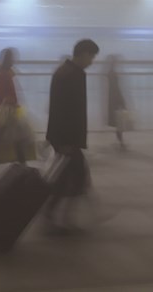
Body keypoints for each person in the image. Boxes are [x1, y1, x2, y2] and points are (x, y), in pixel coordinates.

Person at [44, 39, 100, 233]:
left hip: (64, 137)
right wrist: (66, 141)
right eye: (91, 57)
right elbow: (66, 111)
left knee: (70, 178)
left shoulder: (64, 71)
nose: (92, 61)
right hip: (67, 138)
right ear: (83, 54)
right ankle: (59, 218)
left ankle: (57, 216)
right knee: (76, 178)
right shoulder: (72, 75)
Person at [0, 48, 31, 168]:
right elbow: (6, 94)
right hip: (8, 111)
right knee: (18, 137)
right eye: (13, 58)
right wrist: (16, 107)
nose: (15, 60)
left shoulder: (3, 73)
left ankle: (20, 162)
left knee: (8, 138)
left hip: (5, 110)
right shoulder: (5, 74)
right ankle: (22, 163)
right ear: (9, 59)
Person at [106, 54, 129, 150]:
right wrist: (121, 101)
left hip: (112, 99)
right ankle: (121, 142)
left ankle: (120, 141)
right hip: (116, 99)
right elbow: (116, 88)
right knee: (119, 122)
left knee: (118, 122)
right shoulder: (112, 73)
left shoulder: (110, 72)